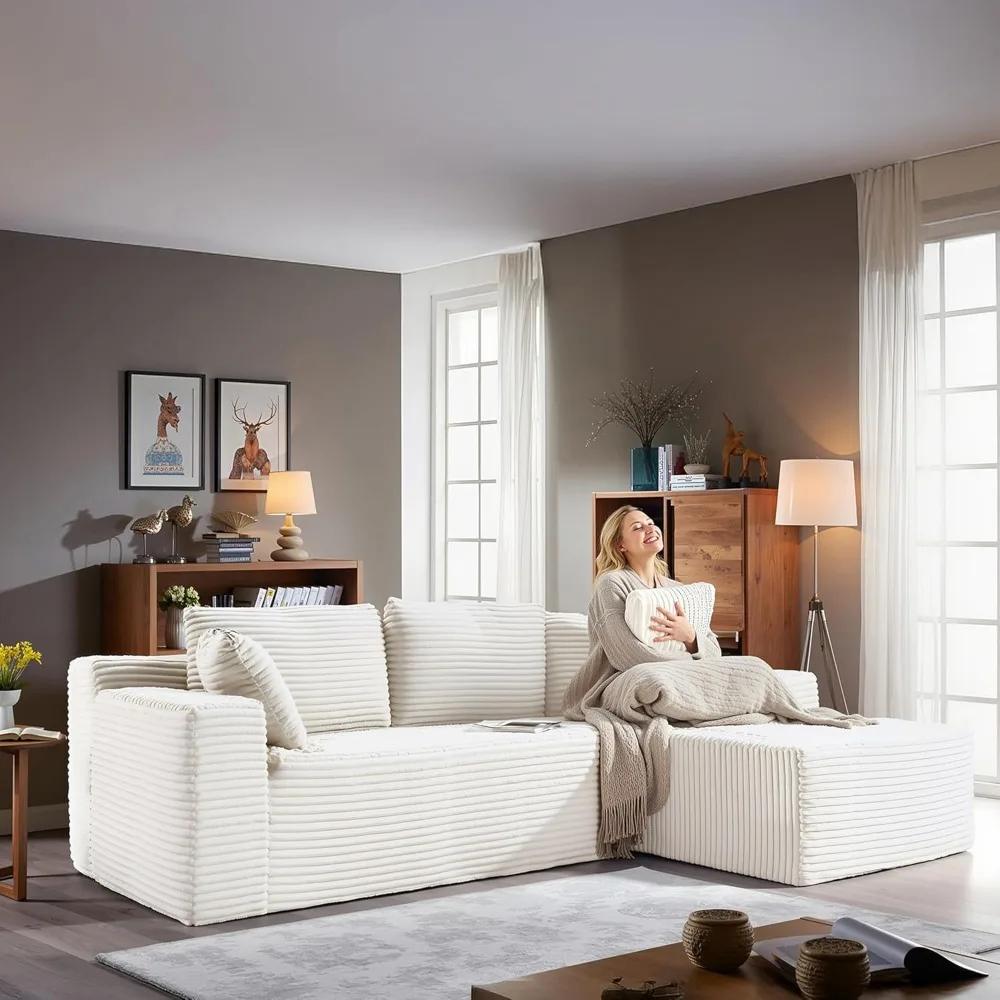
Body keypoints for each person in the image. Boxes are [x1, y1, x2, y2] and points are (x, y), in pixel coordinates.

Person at [563, 505, 722, 715]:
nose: (650, 529)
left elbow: (715, 653)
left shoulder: (678, 590)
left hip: (676, 677)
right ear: (620, 544)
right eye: (638, 527)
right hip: (621, 682)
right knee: (652, 681)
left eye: (651, 523)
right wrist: (691, 666)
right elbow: (627, 656)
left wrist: (691, 638)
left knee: (754, 668)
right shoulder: (611, 584)